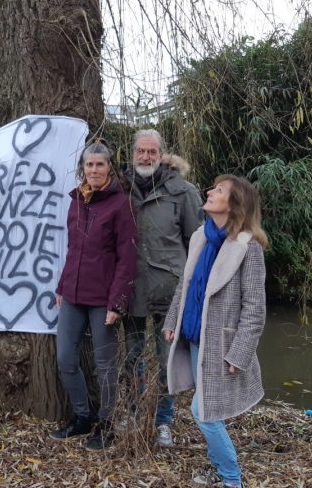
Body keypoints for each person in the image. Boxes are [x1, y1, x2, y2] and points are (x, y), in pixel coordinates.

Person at [162, 175, 268, 488]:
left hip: (221, 346)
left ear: (234, 205)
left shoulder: (248, 248)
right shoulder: (200, 237)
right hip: (195, 338)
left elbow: (254, 308)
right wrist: (172, 321)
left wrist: (240, 351)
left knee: (204, 413)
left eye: (219, 190)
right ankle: (220, 471)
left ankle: (232, 480)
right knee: (208, 409)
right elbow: (186, 285)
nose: (210, 192)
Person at [50, 138, 137, 450]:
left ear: (109, 167)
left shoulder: (120, 203)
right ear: (82, 168)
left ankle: (108, 423)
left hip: (103, 301)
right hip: (72, 295)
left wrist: (117, 302)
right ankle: (82, 416)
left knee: (105, 367)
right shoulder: (77, 200)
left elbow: (127, 259)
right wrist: (62, 286)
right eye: (89, 164)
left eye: (100, 164)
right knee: (65, 357)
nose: (95, 170)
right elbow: (74, 249)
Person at [123, 129, 203, 447]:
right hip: (130, 289)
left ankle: (162, 422)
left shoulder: (182, 192)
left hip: (169, 291)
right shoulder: (121, 189)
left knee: (166, 360)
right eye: (141, 151)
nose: (145, 157)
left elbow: (196, 243)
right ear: (132, 154)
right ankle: (135, 414)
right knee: (132, 358)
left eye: (151, 152)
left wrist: (192, 287)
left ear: (161, 155)